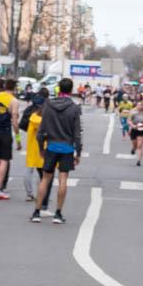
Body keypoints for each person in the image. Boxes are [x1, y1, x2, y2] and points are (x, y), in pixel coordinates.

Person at [30, 78, 84, 225]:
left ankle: (36, 212)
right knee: (63, 179)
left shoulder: (48, 105)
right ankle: (58, 213)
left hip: (51, 146)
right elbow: (77, 133)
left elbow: (41, 130)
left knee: (45, 178)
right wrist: (78, 152)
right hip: (67, 147)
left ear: (59, 88)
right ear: (71, 90)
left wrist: (41, 148)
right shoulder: (75, 108)